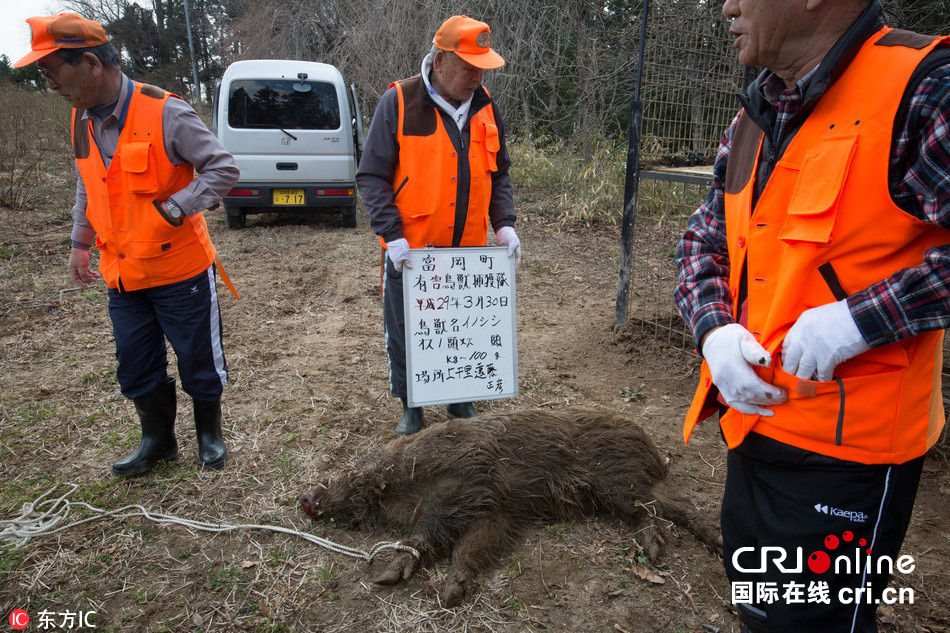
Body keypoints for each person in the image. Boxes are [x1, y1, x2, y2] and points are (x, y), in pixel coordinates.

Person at [675, 0, 950, 631]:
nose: (727, 7)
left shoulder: (924, 89)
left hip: (852, 459)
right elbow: (702, 243)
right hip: (752, 431)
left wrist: (861, 321)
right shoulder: (756, 114)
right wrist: (713, 331)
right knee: (763, 608)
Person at [14, 13, 241, 476]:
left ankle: (209, 436)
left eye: (53, 72)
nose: (50, 85)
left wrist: (175, 208)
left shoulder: (166, 112)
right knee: (135, 365)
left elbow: (222, 169)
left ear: (91, 63)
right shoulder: (81, 120)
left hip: (179, 271)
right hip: (121, 273)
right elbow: (87, 183)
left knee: (199, 360)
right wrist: (80, 243)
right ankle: (158, 440)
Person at [356, 15, 521, 436]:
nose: (477, 75)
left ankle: (459, 399)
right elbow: (371, 176)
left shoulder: (485, 106)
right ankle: (412, 405)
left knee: (462, 328)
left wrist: (503, 224)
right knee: (407, 329)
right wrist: (391, 236)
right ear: (442, 60)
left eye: (482, 66)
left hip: (467, 253)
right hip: (412, 253)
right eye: (469, 66)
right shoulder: (397, 102)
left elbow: (498, 172)